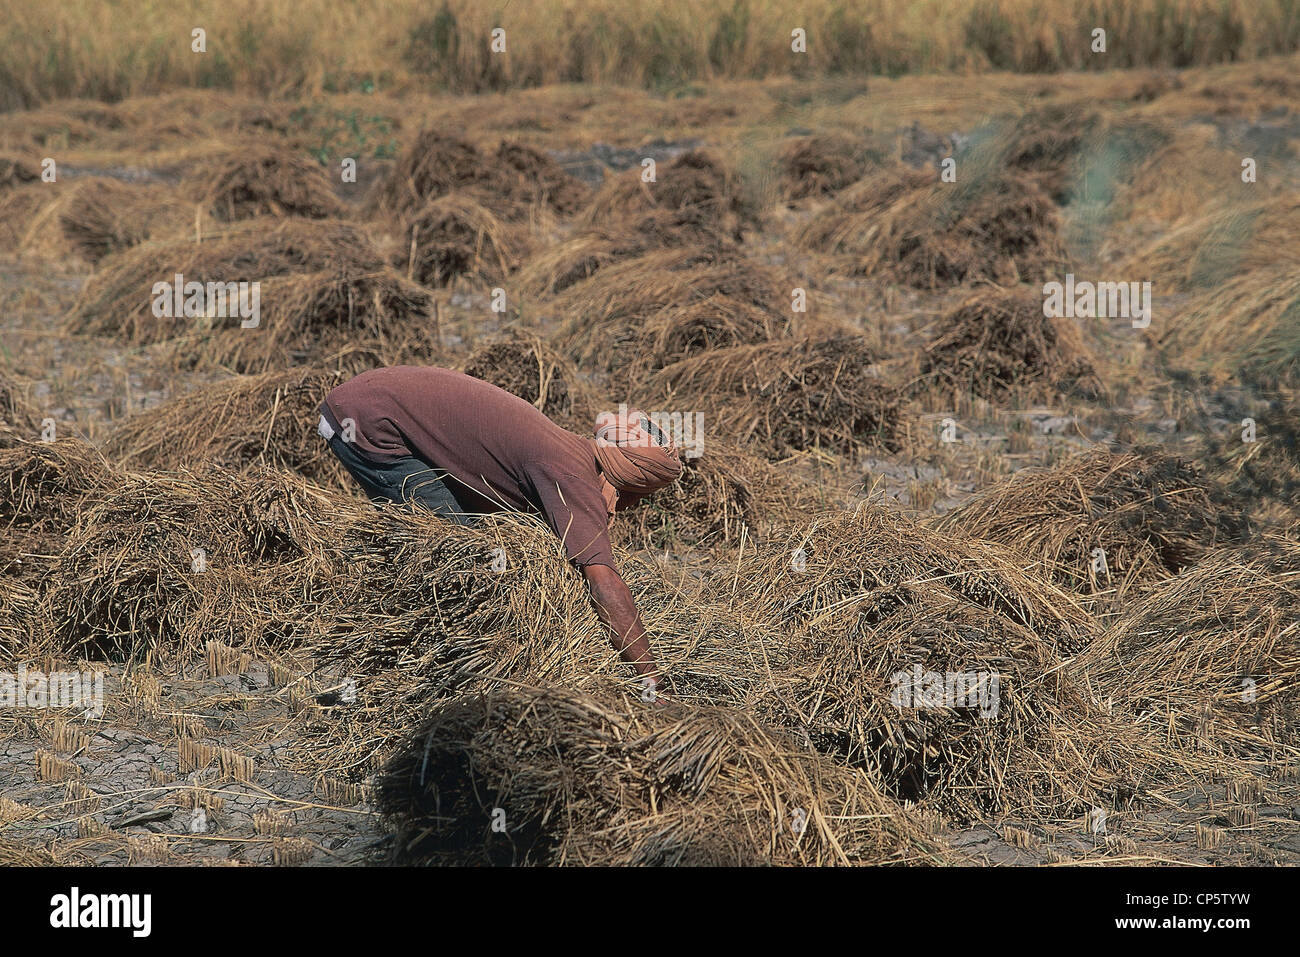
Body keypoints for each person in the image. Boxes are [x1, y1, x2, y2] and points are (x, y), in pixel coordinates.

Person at [317, 365, 682, 698]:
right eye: (642, 497)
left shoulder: (568, 448)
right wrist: (650, 679)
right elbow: (603, 585)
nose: (636, 507)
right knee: (457, 557)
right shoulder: (572, 477)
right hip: (369, 423)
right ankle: (382, 670)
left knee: (469, 537)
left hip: (372, 396)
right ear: (629, 481)